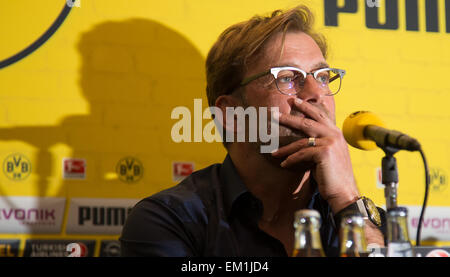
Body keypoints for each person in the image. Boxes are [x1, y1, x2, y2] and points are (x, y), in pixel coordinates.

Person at [120, 5, 386, 257]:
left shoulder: (369, 224)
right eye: (287, 77)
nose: (317, 94)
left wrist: (347, 200)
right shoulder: (171, 220)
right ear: (232, 114)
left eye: (323, 77)